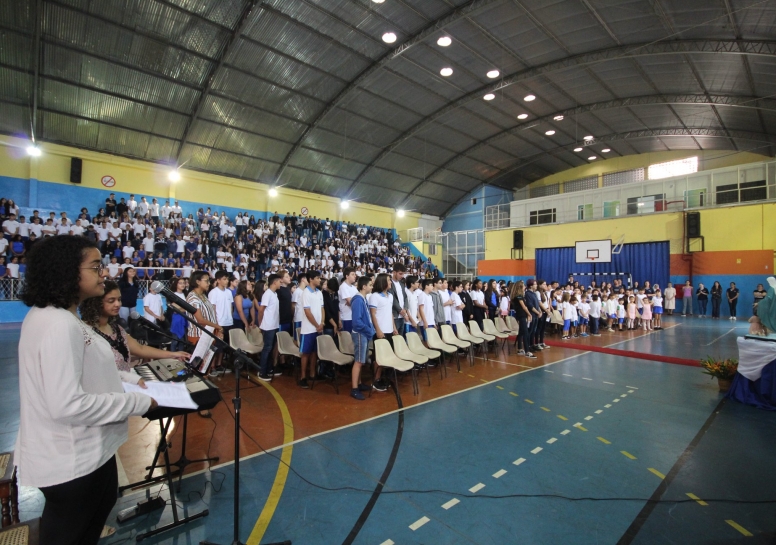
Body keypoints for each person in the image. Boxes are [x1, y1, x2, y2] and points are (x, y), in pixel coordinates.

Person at [16, 235, 156, 545]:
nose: (104, 273)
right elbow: (67, 404)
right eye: (95, 266)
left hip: (86, 454)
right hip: (72, 461)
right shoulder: (57, 324)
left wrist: (134, 383)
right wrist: (136, 403)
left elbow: (94, 372)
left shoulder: (61, 317)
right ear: (67, 271)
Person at [369, 273, 395, 392]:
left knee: (388, 356)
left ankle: (384, 378)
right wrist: (378, 330)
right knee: (378, 358)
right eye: (389, 280)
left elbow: (390, 313)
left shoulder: (390, 296)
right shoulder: (375, 296)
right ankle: (376, 380)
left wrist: (394, 327)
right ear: (382, 282)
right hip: (380, 331)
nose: (390, 282)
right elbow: (373, 314)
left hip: (389, 330)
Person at [350, 276, 374, 400]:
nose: (372, 287)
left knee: (361, 360)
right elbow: (356, 322)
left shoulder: (363, 299)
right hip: (360, 333)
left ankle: (359, 384)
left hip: (364, 333)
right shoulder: (358, 300)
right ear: (364, 286)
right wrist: (369, 330)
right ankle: (354, 388)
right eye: (370, 285)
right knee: (358, 361)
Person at [299, 271, 324, 388]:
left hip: (318, 328)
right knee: (306, 353)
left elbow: (322, 309)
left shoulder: (319, 293)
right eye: (318, 278)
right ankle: (303, 376)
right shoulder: (306, 293)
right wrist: (316, 324)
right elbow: (307, 312)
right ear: (311, 279)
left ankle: (312, 373)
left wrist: (322, 322)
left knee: (314, 352)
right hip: (309, 328)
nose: (320, 280)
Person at [257, 274, 281, 381]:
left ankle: (269, 368)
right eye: (279, 282)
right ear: (274, 282)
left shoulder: (274, 294)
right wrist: (261, 324)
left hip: (274, 325)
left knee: (271, 348)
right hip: (268, 326)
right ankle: (262, 371)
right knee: (267, 348)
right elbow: (261, 310)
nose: (280, 283)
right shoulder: (267, 294)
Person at [338, 267, 358, 332]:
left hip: (353, 316)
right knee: (347, 340)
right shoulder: (343, 286)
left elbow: (359, 301)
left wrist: (352, 302)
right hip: (346, 318)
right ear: (347, 276)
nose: (355, 276)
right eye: (353, 274)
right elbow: (350, 302)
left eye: (355, 274)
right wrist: (351, 302)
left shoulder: (353, 287)